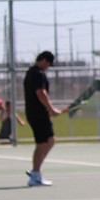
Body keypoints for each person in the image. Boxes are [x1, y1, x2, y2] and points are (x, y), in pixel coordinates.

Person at [23, 51, 63, 186]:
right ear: (44, 60)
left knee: (50, 141)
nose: (48, 67)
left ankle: (36, 170)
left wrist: (48, 110)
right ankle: (35, 175)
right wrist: (51, 109)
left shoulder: (32, 72)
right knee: (42, 143)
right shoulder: (36, 74)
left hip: (38, 113)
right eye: (48, 64)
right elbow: (41, 93)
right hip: (37, 114)